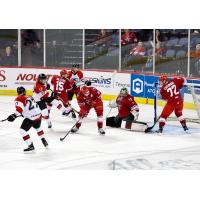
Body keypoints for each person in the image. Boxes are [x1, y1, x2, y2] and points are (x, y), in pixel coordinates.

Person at [7, 86, 48, 153]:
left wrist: (14, 115)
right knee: (38, 128)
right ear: (25, 91)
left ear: (18, 93)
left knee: (22, 130)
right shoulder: (30, 96)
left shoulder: (18, 98)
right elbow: (29, 107)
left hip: (30, 118)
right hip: (39, 116)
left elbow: (19, 109)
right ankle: (44, 140)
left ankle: (30, 146)